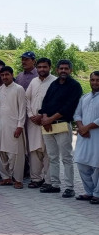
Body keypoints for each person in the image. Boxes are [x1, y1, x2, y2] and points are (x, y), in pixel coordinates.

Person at [39, 60, 83, 198]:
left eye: (66, 68)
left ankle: (69, 187)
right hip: (48, 125)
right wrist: (45, 118)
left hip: (62, 124)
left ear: (70, 70)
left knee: (66, 157)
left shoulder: (75, 86)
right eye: (61, 68)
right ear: (57, 70)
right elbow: (45, 102)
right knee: (52, 156)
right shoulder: (54, 84)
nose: (63, 71)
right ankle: (55, 184)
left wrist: (50, 119)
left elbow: (68, 107)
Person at [0, 66, 26, 189]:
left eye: (7, 75)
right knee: (0, 152)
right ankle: (6, 178)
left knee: (15, 154)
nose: (4, 77)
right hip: (0, 126)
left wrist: (20, 126)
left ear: (12, 75)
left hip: (14, 126)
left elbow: (23, 109)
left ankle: (18, 180)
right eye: (2, 75)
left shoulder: (19, 89)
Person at [25, 58, 56, 188]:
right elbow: (26, 99)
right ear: (36, 68)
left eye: (45, 67)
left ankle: (48, 180)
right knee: (34, 151)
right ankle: (36, 179)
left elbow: (56, 103)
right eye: (40, 67)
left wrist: (43, 116)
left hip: (48, 122)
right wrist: (31, 115)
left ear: (50, 67)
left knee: (49, 152)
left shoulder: (55, 82)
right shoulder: (33, 81)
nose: (42, 69)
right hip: (33, 123)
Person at [74, 71, 99, 203]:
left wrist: (87, 127)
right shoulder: (85, 97)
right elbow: (77, 114)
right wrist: (81, 126)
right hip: (84, 136)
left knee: (97, 166)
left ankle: (97, 193)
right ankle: (89, 192)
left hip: (96, 137)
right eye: (92, 80)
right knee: (82, 163)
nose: (95, 83)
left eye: (97, 80)